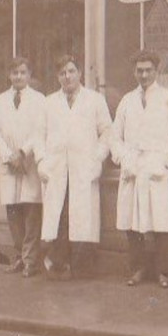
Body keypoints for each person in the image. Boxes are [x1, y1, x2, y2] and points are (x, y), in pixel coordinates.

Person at [111, 51, 168, 288]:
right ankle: (138, 269)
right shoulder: (126, 101)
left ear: (157, 71)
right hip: (133, 165)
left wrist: (164, 161)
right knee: (133, 223)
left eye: (148, 70)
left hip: (156, 167)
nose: (143, 75)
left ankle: (164, 272)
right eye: (139, 70)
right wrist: (125, 159)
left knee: (161, 222)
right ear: (134, 72)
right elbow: (114, 137)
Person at [37, 54, 112, 281]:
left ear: (79, 73)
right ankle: (59, 265)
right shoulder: (49, 102)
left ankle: (82, 268)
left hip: (83, 169)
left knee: (82, 218)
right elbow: (38, 135)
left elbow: (108, 132)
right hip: (57, 169)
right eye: (62, 73)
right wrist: (42, 162)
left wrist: (97, 158)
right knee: (59, 216)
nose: (67, 76)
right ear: (57, 77)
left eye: (71, 71)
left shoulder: (95, 100)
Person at [0, 57, 45, 277]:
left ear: (29, 75)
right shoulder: (0, 100)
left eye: (23, 72)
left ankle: (31, 260)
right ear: (9, 75)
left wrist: (22, 153)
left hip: (29, 162)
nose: (18, 77)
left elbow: (40, 131)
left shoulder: (39, 100)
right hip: (9, 164)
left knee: (31, 211)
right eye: (14, 73)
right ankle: (19, 257)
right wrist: (8, 156)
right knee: (13, 211)